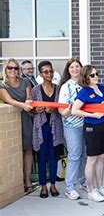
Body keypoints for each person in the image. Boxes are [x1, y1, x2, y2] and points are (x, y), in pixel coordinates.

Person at [71, 65, 104, 202]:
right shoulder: (84, 91)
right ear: (86, 77)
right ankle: (90, 190)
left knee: (101, 158)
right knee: (92, 159)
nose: (96, 77)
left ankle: (100, 186)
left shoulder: (101, 87)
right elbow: (74, 110)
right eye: (92, 75)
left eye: (96, 74)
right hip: (92, 127)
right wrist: (93, 115)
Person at [31, 61, 64, 198]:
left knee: (53, 156)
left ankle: (53, 185)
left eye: (51, 71)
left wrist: (55, 109)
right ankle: (43, 186)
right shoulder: (35, 90)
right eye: (46, 72)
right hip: (41, 127)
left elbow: (62, 107)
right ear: (40, 74)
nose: (49, 74)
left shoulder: (58, 89)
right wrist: (36, 110)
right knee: (42, 156)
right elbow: (30, 110)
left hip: (55, 127)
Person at [0, 59, 34, 192]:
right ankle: (19, 181)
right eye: (10, 68)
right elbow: (9, 100)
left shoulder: (25, 81)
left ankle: (28, 180)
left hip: (26, 118)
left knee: (28, 149)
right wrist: (23, 105)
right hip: (12, 119)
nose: (13, 70)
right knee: (16, 150)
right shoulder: (2, 85)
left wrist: (28, 103)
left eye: (15, 68)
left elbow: (29, 96)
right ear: (5, 69)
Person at [58, 58, 87, 200]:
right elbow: (62, 111)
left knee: (84, 155)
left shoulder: (86, 85)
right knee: (74, 155)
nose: (75, 69)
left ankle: (83, 181)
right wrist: (74, 108)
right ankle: (70, 187)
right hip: (72, 126)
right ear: (68, 70)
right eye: (72, 67)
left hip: (87, 124)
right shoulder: (66, 86)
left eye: (77, 67)